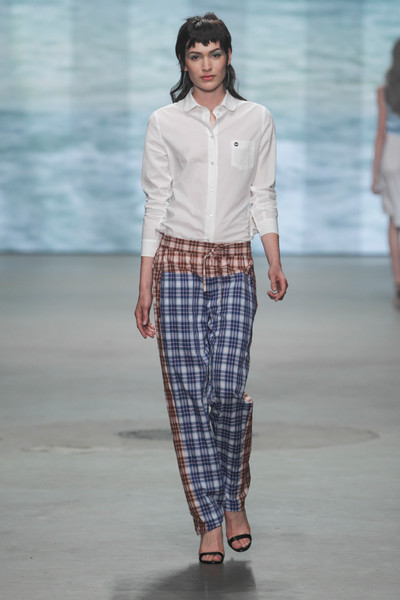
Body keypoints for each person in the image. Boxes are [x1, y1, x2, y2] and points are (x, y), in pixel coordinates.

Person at [135, 13, 288, 564]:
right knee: (186, 397)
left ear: (228, 56)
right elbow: (156, 203)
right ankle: (210, 518)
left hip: (233, 263)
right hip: (176, 262)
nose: (206, 64)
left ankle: (233, 495)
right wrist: (145, 285)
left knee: (225, 388)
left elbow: (262, 194)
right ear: (184, 61)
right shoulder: (164, 122)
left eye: (214, 53)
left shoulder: (257, 118)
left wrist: (273, 260)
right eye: (195, 55)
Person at [372, 38, 400, 309]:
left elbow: (380, 132)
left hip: (392, 154)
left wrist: (374, 175)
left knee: (394, 221)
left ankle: (398, 283)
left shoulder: (384, 91)